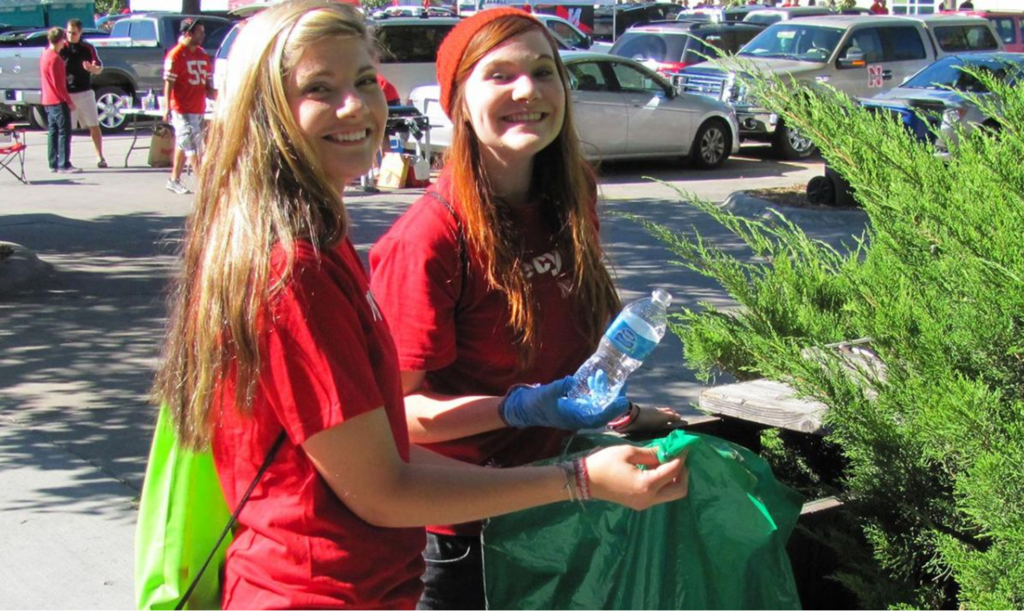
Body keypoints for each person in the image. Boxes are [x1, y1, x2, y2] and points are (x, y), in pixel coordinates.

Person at [152, 1, 688, 608]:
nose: (355, 105)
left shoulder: (319, 246)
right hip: (322, 589)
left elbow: (371, 452)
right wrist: (577, 476)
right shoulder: (294, 270)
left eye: (362, 80)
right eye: (318, 88)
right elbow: (383, 485)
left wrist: (577, 439)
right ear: (266, 110)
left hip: (379, 579)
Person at [369, 9, 683, 609]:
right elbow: (394, 417)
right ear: (456, 101)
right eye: (499, 75)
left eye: (544, 71)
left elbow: (573, 358)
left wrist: (620, 414)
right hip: (466, 533)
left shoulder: (573, 196)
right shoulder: (430, 238)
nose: (527, 90)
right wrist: (517, 409)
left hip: (559, 504)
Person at [162, 18, 214, 195]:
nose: (203, 35)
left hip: (198, 107)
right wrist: (166, 106)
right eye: (199, 31)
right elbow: (169, 82)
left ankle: (174, 180)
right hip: (182, 108)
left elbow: (207, 81)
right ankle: (205, 186)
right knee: (194, 147)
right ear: (188, 33)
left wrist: (216, 97)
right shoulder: (176, 55)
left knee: (183, 144)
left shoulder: (202, 54)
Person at [63, 19, 108, 168]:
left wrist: (92, 69)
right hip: (67, 93)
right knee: (66, 129)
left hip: (85, 92)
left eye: (74, 33)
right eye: (68, 32)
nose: (70, 36)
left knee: (94, 125)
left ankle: (100, 156)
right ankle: (64, 159)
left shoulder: (87, 48)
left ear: (80, 33)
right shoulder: (61, 47)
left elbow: (99, 67)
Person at [39, 27, 78, 174]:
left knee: (53, 132)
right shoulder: (55, 59)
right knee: (64, 132)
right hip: (57, 100)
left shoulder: (45, 55)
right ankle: (64, 164)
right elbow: (59, 84)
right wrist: (68, 101)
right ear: (60, 40)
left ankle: (53, 163)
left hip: (48, 99)